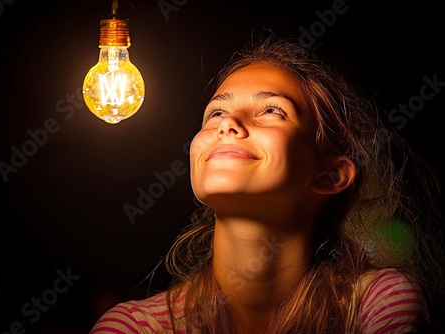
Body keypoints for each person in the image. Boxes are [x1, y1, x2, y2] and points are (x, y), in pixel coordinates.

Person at [89, 35, 445, 333]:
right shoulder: (131, 327)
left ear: (331, 174)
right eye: (215, 113)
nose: (228, 123)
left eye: (272, 110)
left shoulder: (377, 304)